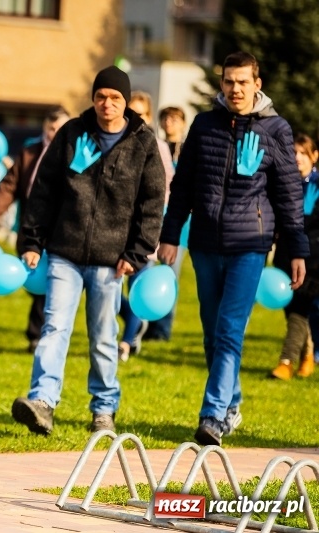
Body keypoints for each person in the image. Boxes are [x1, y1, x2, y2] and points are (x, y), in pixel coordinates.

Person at [159, 51, 308, 446]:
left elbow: (289, 194)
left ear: (257, 84)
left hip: (250, 246)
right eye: (229, 81)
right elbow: (182, 185)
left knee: (228, 331)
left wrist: (296, 249)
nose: (235, 89)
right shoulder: (204, 125)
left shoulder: (276, 129)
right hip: (204, 243)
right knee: (212, 334)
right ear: (221, 83)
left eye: (243, 81)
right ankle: (232, 402)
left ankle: (212, 416)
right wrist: (170, 234)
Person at [11, 66, 166, 436]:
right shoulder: (72, 133)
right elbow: (43, 191)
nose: (106, 103)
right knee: (54, 328)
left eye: (115, 97)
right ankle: (43, 402)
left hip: (111, 261)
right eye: (100, 96)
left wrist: (136, 254)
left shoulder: (143, 143)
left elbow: (152, 203)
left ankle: (104, 409)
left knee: (103, 337)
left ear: (126, 102)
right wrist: (32, 241)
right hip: (64, 252)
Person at [0, 105, 70, 353]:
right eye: (51, 128)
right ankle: (41, 334)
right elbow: (10, 185)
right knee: (36, 283)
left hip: (61, 231)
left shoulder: (74, 154)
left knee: (51, 284)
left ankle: (39, 336)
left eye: (60, 129)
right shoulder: (30, 152)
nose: (54, 133)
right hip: (31, 228)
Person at [117, 91, 175, 361]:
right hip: (115, 230)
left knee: (138, 287)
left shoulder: (157, 146)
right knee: (111, 291)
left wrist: (153, 219)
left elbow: (166, 187)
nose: (134, 118)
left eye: (140, 113)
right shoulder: (115, 141)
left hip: (144, 230)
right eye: (130, 112)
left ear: (149, 117)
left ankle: (126, 342)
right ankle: (133, 325)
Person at [270, 133, 319, 380]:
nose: (297, 157)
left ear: (314, 156)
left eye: (303, 153)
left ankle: (286, 362)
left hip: (314, 259)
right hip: (285, 255)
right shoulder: (282, 183)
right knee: (291, 309)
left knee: (300, 307)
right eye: (294, 153)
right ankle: (307, 353)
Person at [145, 104, 189, 342]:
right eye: (165, 118)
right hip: (154, 216)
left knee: (170, 273)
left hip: (179, 223)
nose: (169, 122)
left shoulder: (189, 150)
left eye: (174, 118)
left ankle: (162, 329)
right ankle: (144, 323)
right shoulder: (154, 146)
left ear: (183, 123)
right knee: (147, 271)